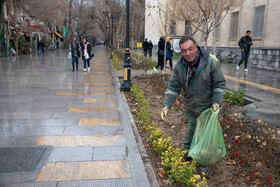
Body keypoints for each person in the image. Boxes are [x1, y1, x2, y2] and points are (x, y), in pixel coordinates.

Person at [161, 35, 226, 169]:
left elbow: (219, 84)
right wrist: (167, 105)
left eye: (190, 49)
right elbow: (173, 86)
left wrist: (216, 102)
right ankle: (187, 154)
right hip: (191, 106)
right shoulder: (180, 66)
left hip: (208, 108)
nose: (188, 53)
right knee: (191, 131)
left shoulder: (210, 62)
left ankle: (204, 161)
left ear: (196, 47)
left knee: (205, 136)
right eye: (184, 51)